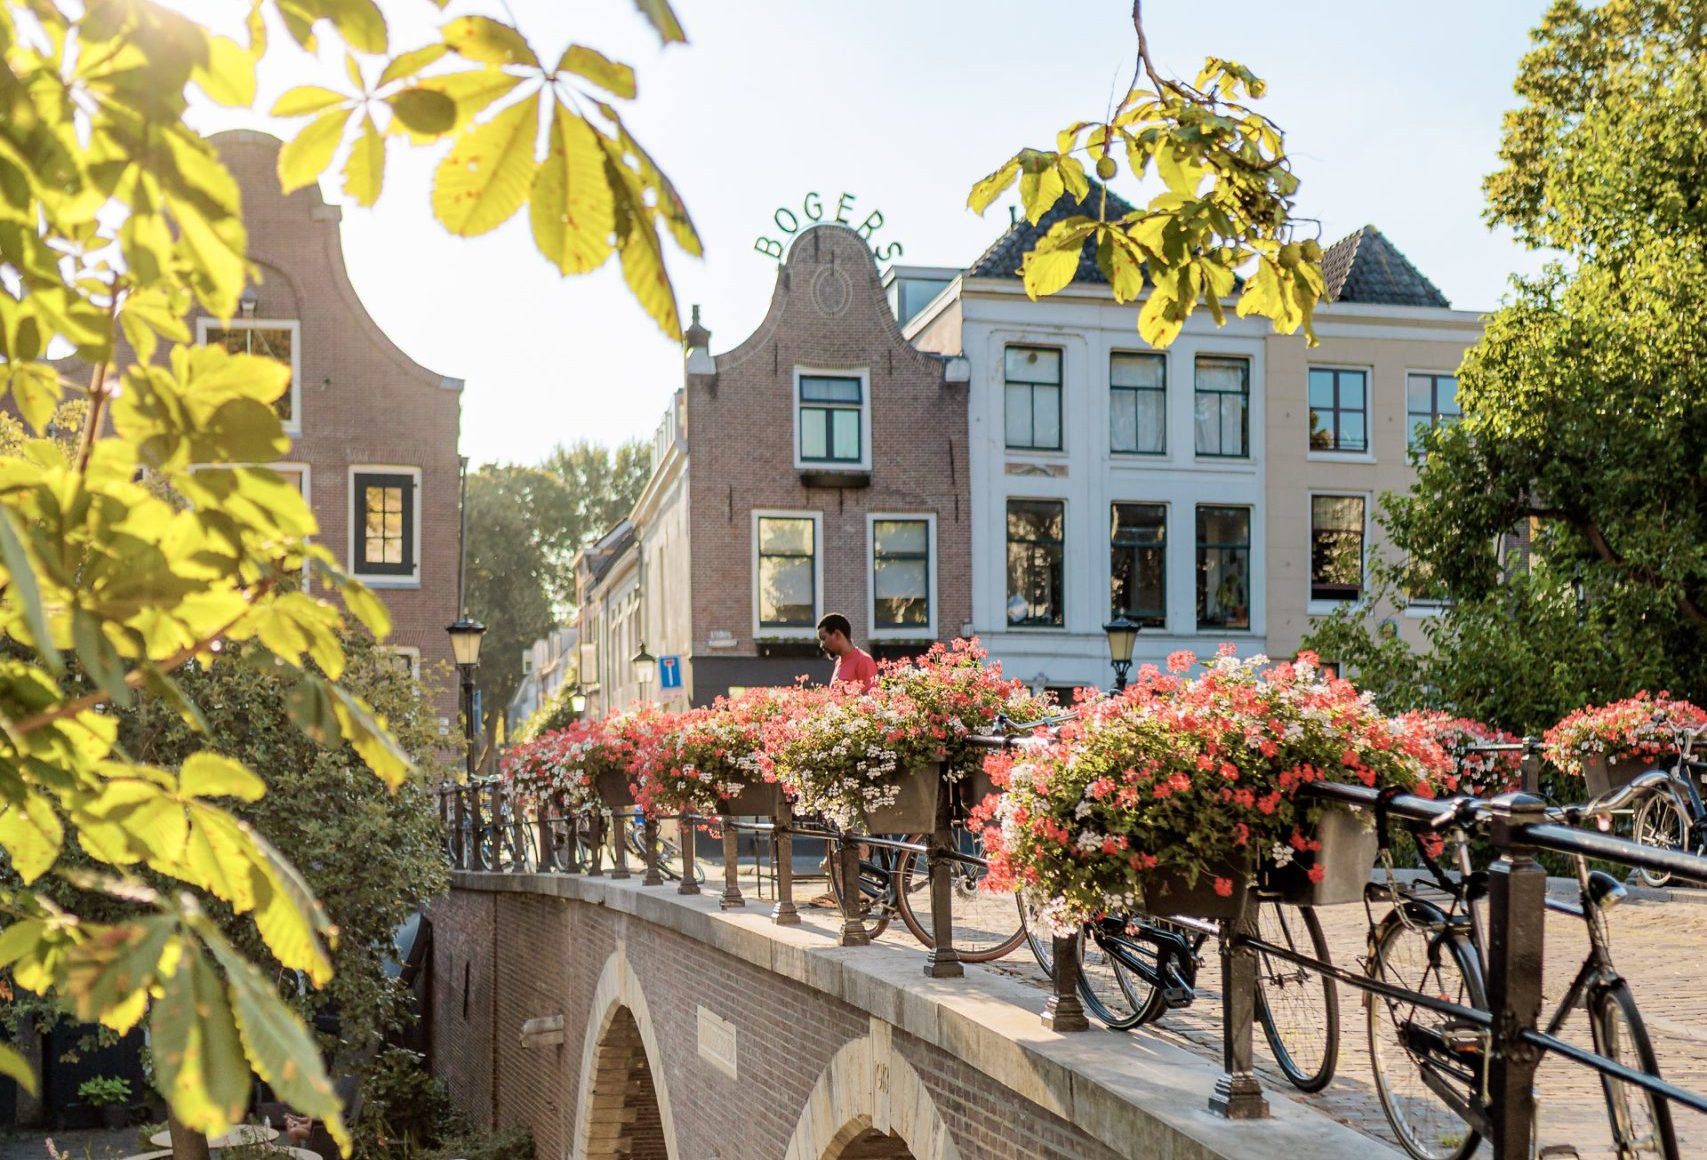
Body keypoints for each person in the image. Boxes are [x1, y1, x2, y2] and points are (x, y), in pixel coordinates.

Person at [817, 612, 877, 691]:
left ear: (837, 634)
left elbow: (871, 696)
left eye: (824, 639)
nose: (822, 645)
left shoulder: (864, 661)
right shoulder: (839, 663)